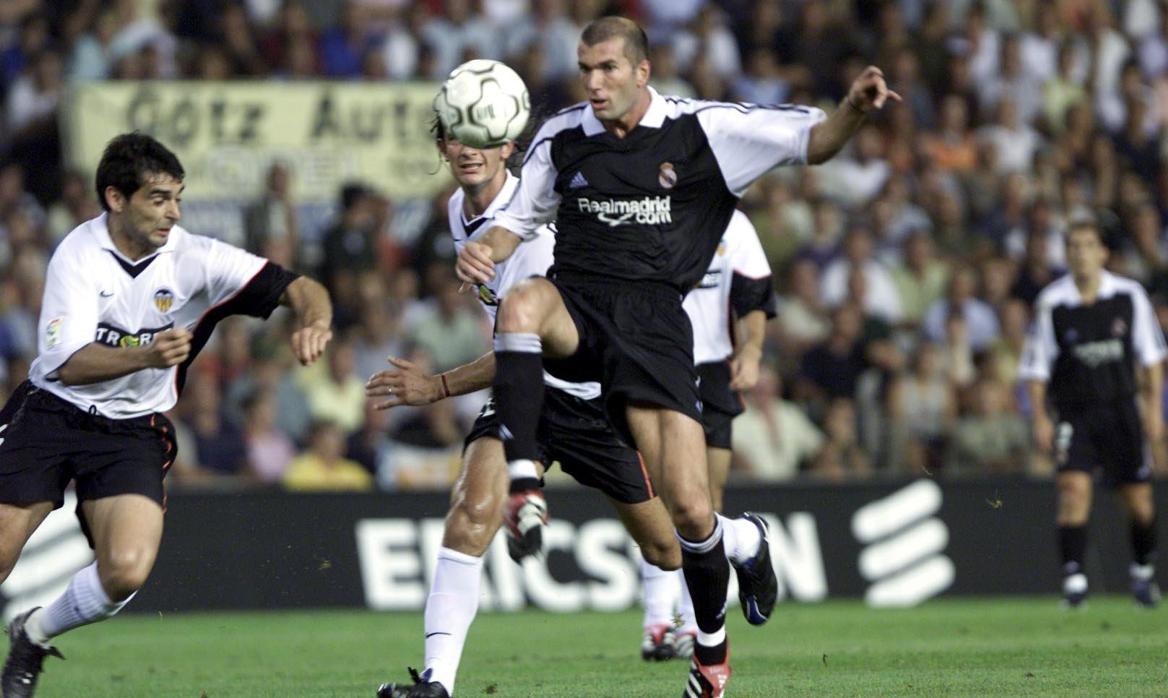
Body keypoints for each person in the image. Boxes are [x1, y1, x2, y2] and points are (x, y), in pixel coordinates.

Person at [455, 17, 897, 696]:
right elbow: (518, 223)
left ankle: (716, 644)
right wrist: (486, 249)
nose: (593, 83)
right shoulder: (562, 136)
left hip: (654, 330)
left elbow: (813, 142)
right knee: (520, 308)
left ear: (641, 70)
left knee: (690, 512)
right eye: (584, 69)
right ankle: (524, 481)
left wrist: (852, 112)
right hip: (576, 309)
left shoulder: (705, 131)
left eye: (606, 69)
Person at [0, 133, 333, 697]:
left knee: (125, 571)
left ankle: (33, 632)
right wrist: (147, 354)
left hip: (132, 430)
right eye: (157, 198)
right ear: (115, 198)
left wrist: (314, 320)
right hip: (52, 414)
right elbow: (67, 364)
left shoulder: (197, 258)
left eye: (177, 197)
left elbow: (302, 286)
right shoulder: (78, 256)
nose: (172, 212)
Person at [370, 107, 681, 698]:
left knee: (666, 544)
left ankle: (741, 542)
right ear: (442, 146)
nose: (468, 150)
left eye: (483, 139)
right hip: (525, 397)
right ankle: (437, 683)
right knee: (469, 516)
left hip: (590, 398)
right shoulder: (457, 213)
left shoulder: (532, 230)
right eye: (456, 138)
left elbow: (528, 345)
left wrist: (436, 387)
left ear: (510, 146)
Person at [637, 209, 775, 662]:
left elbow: (753, 297)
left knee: (706, 500)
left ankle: (695, 623)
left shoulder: (731, 223)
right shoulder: (636, 212)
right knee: (656, 493)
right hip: (654, 367)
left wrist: (751, 350)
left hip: (712, 368)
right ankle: (661, 623)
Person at [1019, 220, 1167, 609]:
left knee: (1138, 501)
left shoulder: (1128, 296)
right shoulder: (1052, 303)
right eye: (1073, 245)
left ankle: (1142, 571)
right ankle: (1073, 579)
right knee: (1073, 491)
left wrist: (1153, 409)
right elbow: (1036, 369)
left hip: (1121, 410)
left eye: (1088, 244)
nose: (1080, 252)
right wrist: (1039, 417)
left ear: (1103, 253)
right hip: (1074, 412)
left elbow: (1151, 360)